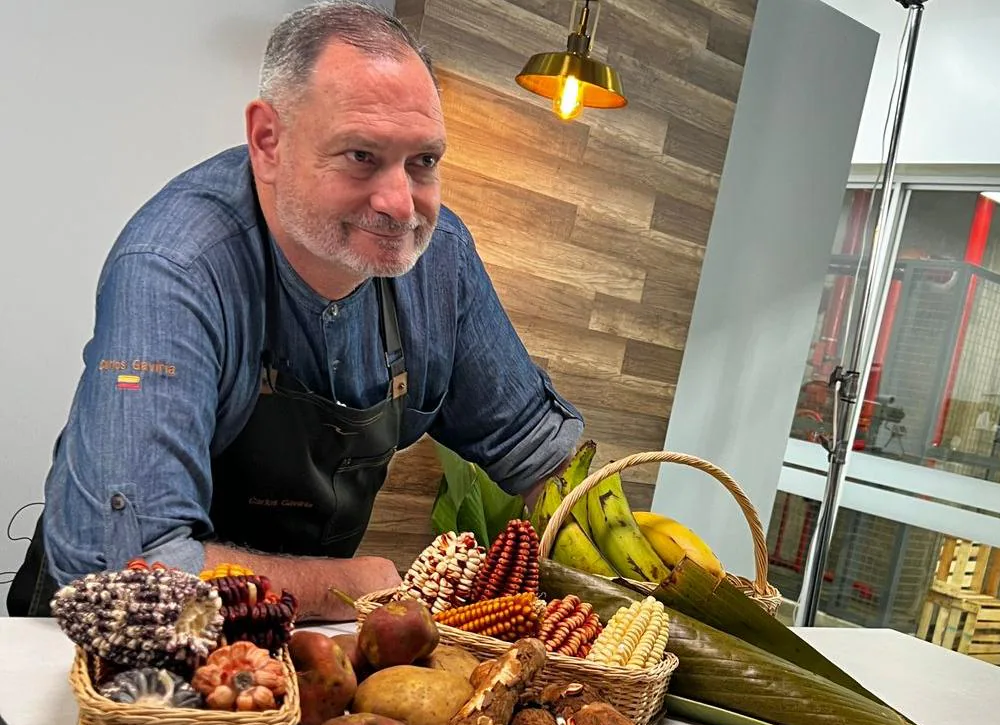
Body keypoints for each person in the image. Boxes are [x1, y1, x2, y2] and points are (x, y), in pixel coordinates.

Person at [6, 0, 584, 624]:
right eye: (361, 155)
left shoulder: (442, 263)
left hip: (291, 651)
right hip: (113, 654)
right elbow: (126, 572)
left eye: (423, 162)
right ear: (268, 141)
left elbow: (546, 459)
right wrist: (351, 584)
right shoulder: (175, 266)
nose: (400, 204)